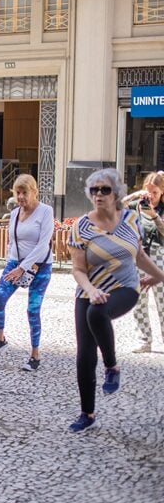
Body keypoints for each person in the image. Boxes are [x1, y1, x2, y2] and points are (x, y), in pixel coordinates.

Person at [66, 168, 164, 432]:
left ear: (116, 193)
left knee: (97, 313)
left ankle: (111, 366)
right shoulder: (81, 226)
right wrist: (90, 290)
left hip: (125, 286)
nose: (98, 194)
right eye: (94, 190)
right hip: (89, 290)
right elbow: (78, 269)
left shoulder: (131, 219)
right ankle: (87, 414)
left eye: (105, 189)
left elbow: (139, 256)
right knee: (85, 354)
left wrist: (160, 276)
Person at [0, 175, 54, 372]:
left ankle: (35, 355)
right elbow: (12, 242)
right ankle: (0, 339)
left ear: (34, 192)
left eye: (25, 192)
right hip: (16, 263)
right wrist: (11, 263)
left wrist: (23, 268)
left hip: (40, 265)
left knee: (33, 309)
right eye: (18, 193)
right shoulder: (15, 213)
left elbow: (43, 244)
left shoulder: (45, 211)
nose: (21, 197)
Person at [122, 172, 164, 353]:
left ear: (162, 191)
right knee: (138, 301)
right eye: (149, 192)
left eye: (155, 192)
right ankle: (144, 340)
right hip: (139, 257)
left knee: (162, 301)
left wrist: (154, 216)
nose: (151, 196)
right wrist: (135, 195)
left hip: (159, 257)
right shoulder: (139, 204)